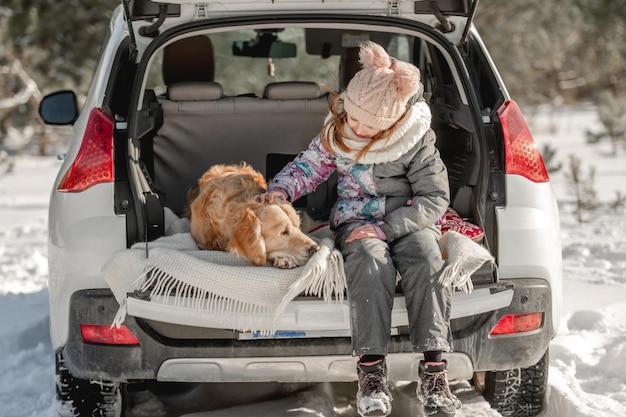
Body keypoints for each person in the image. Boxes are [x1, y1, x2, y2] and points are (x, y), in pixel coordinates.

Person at [260, 41, 461, 417]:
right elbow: (309, 167)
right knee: (369, 262)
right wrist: (281, 189)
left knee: (426, 259)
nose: (358, 128)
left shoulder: (415, 140)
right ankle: (371, 373)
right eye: (354, 118)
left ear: (392, 121)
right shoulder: (339, 133)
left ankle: (434, 371)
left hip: (408, 218)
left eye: (370, 125)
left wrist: (387, 228)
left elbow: (434, 197)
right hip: (356, 220)